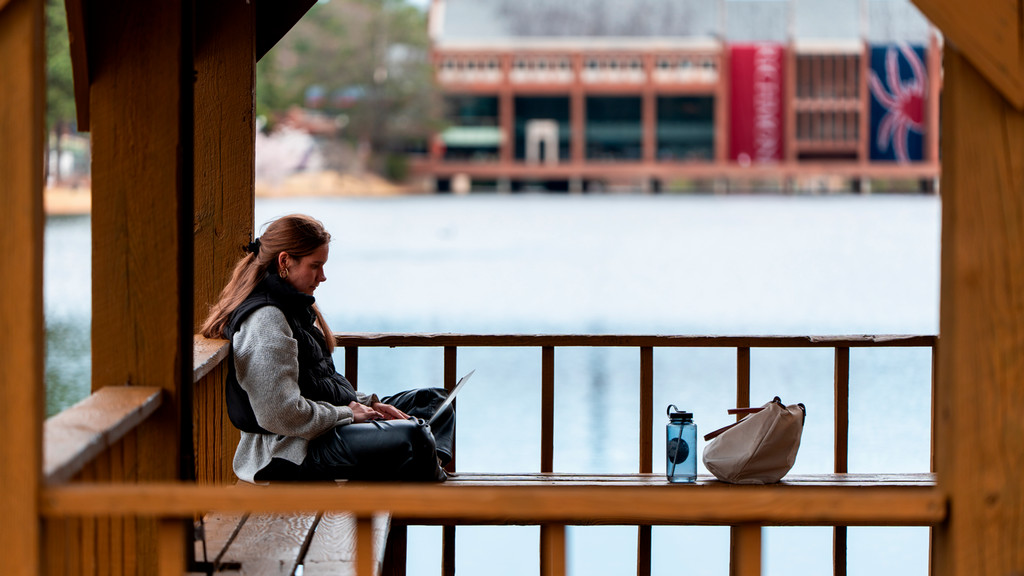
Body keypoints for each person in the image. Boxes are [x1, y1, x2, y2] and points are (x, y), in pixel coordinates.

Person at [200, 214, 452, 483]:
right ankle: (427, 474)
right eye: (315, 266)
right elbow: (279, 415)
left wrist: (369, 404)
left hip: (322, 429)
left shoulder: (294, 307)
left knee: (433, 402)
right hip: (290, 452)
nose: (323, 276)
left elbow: (315, 384)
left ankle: (423, 466)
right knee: (412, 434)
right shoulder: (266, 320)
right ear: (284, 261)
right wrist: (347, 415)